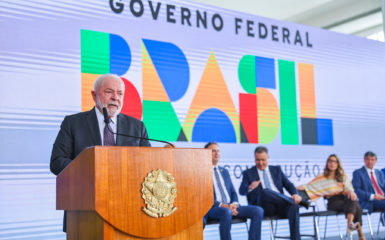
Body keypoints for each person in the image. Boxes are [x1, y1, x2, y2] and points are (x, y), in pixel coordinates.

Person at [50, 73, 151, 231]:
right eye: (109, 92)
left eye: (119, 93)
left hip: (128, 211)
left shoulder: (136, 127)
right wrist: (95, 170)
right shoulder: (73, 123)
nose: (115, 98)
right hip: (84, 211)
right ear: (94, 95)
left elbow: (149, 164)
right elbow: (57, 162)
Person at [203, 142, 263, 240]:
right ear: (205, 154)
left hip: (231, 206)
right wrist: (225, 206)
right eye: (213, 151)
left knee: (258, 210)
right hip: (213, 208)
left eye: (218, 151)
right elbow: (205, 197)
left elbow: (233, 192)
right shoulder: (201, 172)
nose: (216, 153)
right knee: (226, 212)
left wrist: (234, 204)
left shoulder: (224, 171)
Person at [239, 146, 301, 240]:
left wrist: (295, 194)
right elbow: (241, 191)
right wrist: (250, 187)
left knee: (294, 207)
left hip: (281, 205)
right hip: (264, 207)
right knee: (265, 192)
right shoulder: (248, 173)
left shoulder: (277, 170)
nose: (260, 163)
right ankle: (294, 201)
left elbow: (288, 184)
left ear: (268, 158)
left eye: (263, 160)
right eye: (257, 160)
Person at [297, 154, 365, 239]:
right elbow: (309, 186)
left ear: (338, 164)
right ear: (327, 163)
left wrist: (351, 192)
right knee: (356, 206)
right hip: (333, 202)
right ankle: (359, 234)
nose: (332, 164)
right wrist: (294, 188)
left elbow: (349, 187)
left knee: (352, 198)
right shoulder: (322, 177)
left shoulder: (342, 176)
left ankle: (350, 224)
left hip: (345, 199)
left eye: (334, 162)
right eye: (330, 161)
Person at [352, 151, 385, 226]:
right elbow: (357, 190)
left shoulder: (379, 173)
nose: (370, 161)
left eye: (372, 159)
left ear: (375, 161)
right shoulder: (358, 173)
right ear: (364, 160)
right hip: (369, 201)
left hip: (382, 198)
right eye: (367, 159)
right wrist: (373, 196)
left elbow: (383, 186)